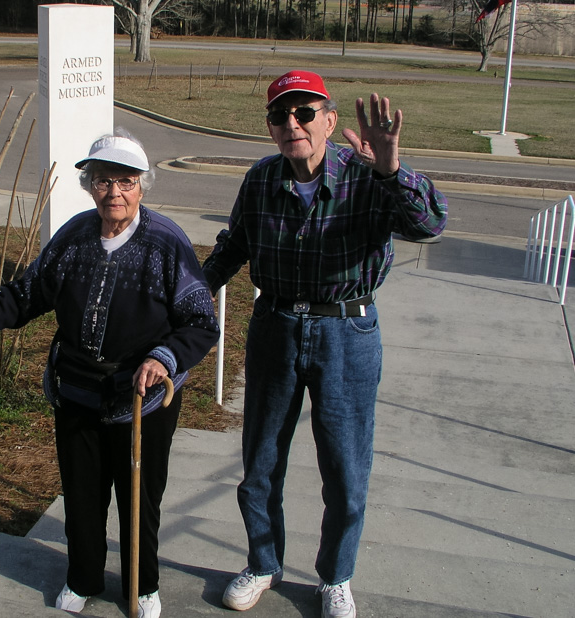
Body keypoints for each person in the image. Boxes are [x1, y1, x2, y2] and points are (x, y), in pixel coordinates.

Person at [0, 129, 219, 618]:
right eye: (102, 181)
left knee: (141, 498)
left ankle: (142, 587)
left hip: (142, 397)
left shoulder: (167, 242)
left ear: (143, 185)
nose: (113, 193)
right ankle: (83, 577)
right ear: (89, 185)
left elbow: (201, 321)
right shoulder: (75, 235)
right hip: (78, 390)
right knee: (82, 495)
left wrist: (163, 358)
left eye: (125, 181)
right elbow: (23, 298)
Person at [201, 71, 447, 618]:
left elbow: (430, 224)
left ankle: (336, 576)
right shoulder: (261, 179)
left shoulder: (367, 177)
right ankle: (263, 562)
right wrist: (187, 299)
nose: (293, 124)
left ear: (330, 121)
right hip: (276, 327)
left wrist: (391, 169)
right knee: (261, 461)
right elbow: (232, 246)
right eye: (280, 116)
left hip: (347, 333)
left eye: (305, 113)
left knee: (345, 466)